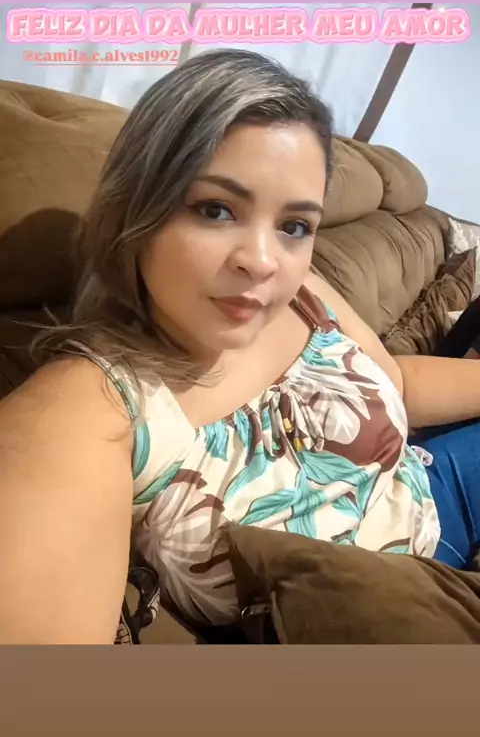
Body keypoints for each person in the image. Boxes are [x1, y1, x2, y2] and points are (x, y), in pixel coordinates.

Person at [0, 48, 480, 645]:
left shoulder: (301, 291)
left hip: (432, 494)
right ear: (135, 209)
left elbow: (398, 383)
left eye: (294, 225)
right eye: (217, 209)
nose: (262, 261)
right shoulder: (83, 411)